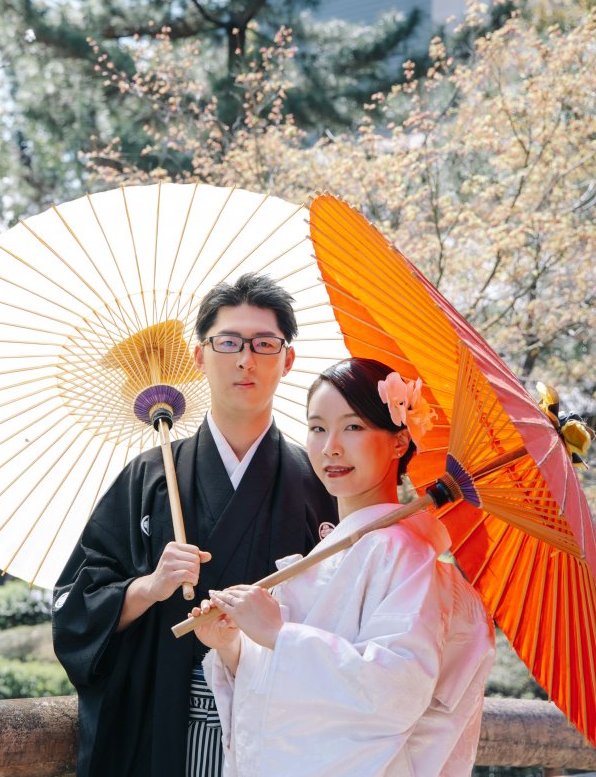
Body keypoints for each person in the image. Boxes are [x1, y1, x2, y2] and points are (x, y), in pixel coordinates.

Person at [52, 273, 338, 777]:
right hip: (160, 721)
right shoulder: (147, 477)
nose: (245, 359)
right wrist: (148, 587)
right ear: (199, 357)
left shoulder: (316, 483)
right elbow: (75, 609)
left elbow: (339, 622)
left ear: (287, 360)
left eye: (264, 344)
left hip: (276, 729)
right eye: (227, 342)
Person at [193, 357, 496, 776]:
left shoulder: (405, 550)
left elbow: (396, 686)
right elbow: (287, 687)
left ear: (398, 440)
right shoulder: (347, 546)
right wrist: (234, 646)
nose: (330, 445)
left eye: (352, 427)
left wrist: (279, 634)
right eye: (317, 427)